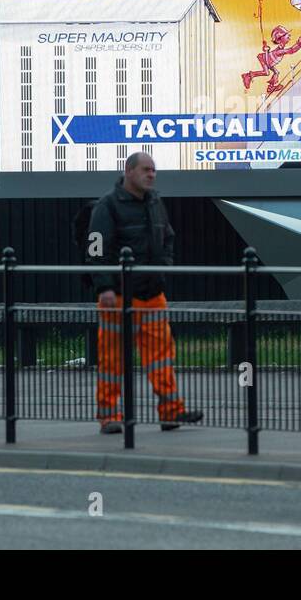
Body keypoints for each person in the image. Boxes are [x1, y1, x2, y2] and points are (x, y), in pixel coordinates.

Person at [87, 151, 203, 434]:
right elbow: (95, 249)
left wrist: (164, 268)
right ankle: (109, 416)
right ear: (128, 171)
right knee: (112, 360)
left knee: (161, 356)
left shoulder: (154, 202)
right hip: (118, 296)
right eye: (146, 170)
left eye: (153, 170)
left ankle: (171, 412)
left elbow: (168, 238)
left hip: (152, 294)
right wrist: (104, 287)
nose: (151, 175)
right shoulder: (107, 206)